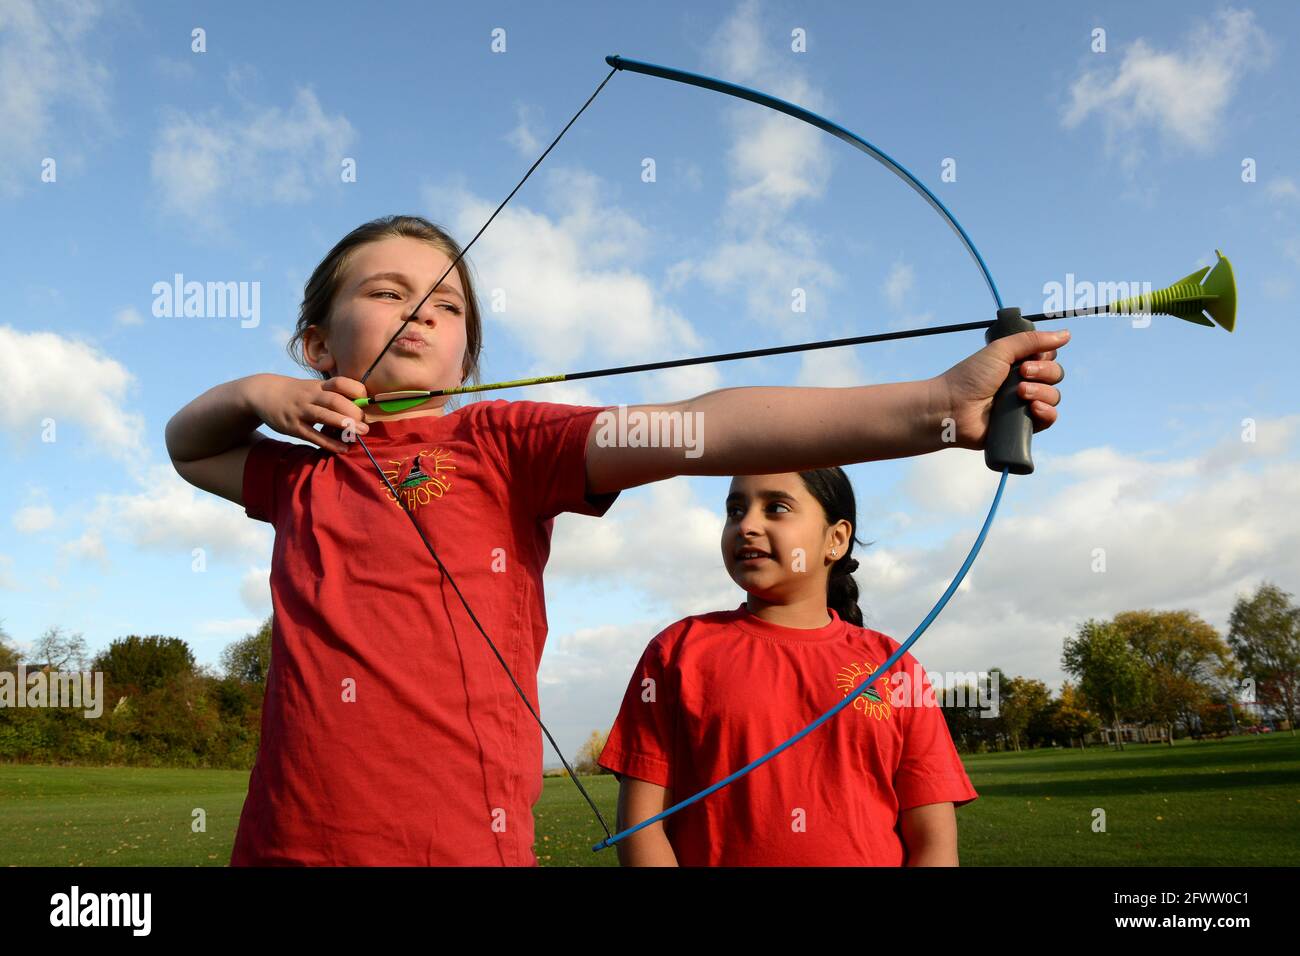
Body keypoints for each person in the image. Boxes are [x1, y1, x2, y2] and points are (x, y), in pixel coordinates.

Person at [164, 214, 1067, 866]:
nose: (420, 313)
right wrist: (256, 394)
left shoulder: (501, 444)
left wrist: (937, 411)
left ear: (468, 361)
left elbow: (694, 430)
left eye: (446, 305)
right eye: (387, 292)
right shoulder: (300, 474)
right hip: (286, 842)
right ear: (317, 343)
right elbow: (189, 446)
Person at [599, 467, 977, 866]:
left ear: (836, 539)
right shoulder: (677, 652)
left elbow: (933, 843)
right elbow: (641, 825)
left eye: (776, 508)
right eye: (735, 510)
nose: (747, 525)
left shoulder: (894, 667)